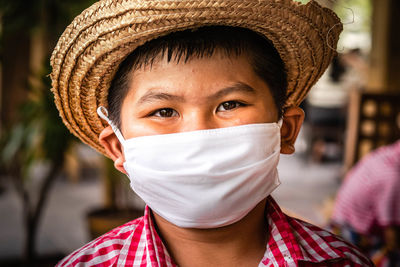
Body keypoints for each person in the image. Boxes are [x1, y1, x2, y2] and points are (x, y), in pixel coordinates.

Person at [50, 0, 373, 266]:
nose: (199, 133)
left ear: (285, 130)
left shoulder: (344, 261)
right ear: (117, 148)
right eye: (163, 112)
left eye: (230, 104)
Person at [331, 139, 400, 266]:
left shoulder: (388, 153)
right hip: (351, 234)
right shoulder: (393, 177)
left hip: (341, 221)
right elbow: (392, 236)